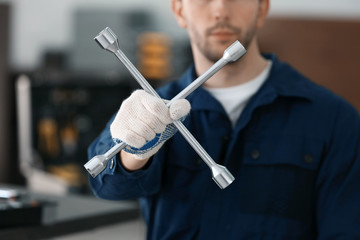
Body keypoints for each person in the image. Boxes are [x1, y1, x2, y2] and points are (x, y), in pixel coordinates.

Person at [88, 0, 360, 239]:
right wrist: (134, 151)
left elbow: (345, 230)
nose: (220, 10)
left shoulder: (335, 120)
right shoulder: (151, 110)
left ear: (261, 8)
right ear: (180, 10)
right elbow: (108, 187)